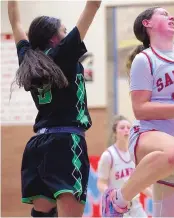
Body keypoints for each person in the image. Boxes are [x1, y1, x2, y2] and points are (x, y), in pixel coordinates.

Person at [102, 7, 174, 217]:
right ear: (148, 24)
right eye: (164, 14)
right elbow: (140, 109)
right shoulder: (144, 60)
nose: (171, 16)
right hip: (150, 135)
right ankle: (117, 199)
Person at [8, 0, 101, 216]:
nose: (67, 33)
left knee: (43, 214)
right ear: (54, 38)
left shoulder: (28, 59)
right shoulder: (64, 53)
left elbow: (15, 20)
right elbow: (94, 4)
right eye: (64, 30)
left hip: (38, 145)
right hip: (66, 143)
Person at [97, 115, 152, 217]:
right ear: (115, 133)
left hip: (134, 204)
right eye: (122, 128)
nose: (126, 130)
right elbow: (101, 183)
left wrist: (154, 195)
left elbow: (139, 183)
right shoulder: (108, 155)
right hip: (116, 206)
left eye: (128, 128)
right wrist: (111, 195)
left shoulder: (135, 154)